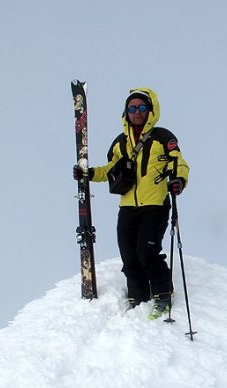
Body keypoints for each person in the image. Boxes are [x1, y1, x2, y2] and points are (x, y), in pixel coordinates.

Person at [74, 87, 190, 319]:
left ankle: (163, 293)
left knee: (146, 250)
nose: (137, 113)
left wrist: (178, 180)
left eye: (142, 108)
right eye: (132, 109)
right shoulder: (120, 143)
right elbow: (110, 171)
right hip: (127, 206)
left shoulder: (162, 137)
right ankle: (137, 295)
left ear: (150, 110)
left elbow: (178, 163)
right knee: (128, 253)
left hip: (155, 205)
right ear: (126, 113)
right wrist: (89, 173)